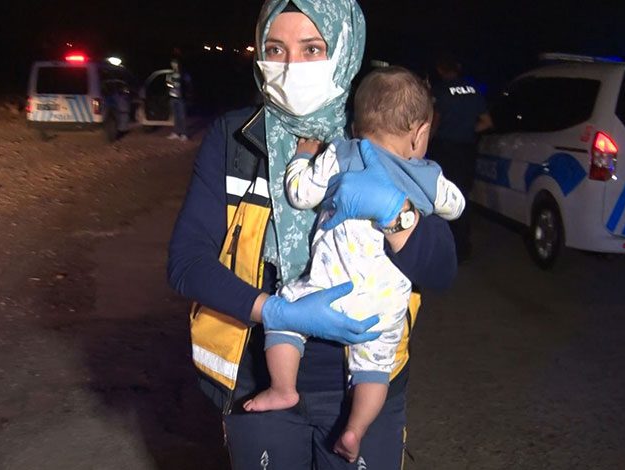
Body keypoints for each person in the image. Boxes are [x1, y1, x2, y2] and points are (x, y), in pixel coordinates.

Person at [167, 1, 457, 468]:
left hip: (363, 382)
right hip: (261, 374)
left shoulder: (380, 131)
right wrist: (274, 310)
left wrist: (397, 214)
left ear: (344, 48)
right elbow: (186, 263)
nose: (290, 66)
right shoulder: (234, 138)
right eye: (275, 49)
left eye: (312, 49)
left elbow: (441, 270)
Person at [243, 66, 465, 463]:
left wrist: (303, 156)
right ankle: (355, 430)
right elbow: (456, 205)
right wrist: (423, 196)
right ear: (420, 134)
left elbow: (299, 193)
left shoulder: (341, 153)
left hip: (330, 286)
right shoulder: (428, 175)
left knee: (285, 311)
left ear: (355, 125)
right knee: (375, 368)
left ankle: (283, 388)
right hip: (385, 304)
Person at [430, 53, 493, 262]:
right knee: (463, 195)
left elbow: (436, 121)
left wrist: (427, 141)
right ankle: (463, 246)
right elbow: (487, 122)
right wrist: (467, 130)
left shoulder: (441, 90)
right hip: (467, 149)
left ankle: (445, 246)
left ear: (440, 69)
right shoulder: (473, 89)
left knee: (442, 196)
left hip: (445, 149)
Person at [166, 57, 189, 141]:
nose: (174, 65)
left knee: (182, 116)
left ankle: (184, 134)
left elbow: (188, 84)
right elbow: (168, 84)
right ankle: (176, 133)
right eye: (172, 64)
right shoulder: (170, 74)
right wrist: (171, 85)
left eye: (175, 63)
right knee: (175, 117)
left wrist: (185, 92)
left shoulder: (183, 74)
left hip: (181, 98)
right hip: (173, 98)